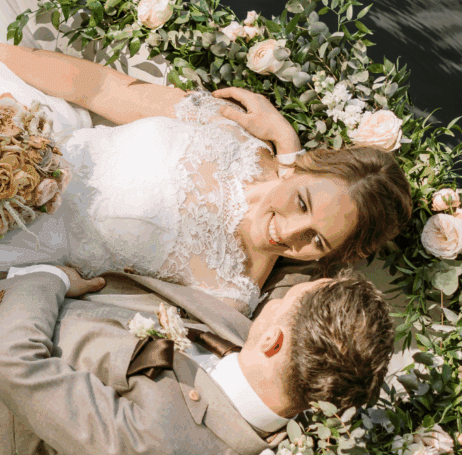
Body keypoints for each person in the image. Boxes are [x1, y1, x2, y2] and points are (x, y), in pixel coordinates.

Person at [0, 42, 412, 314]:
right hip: (28, 135)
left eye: (317, 241)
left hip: (17, 242)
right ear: (303, 164)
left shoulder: (230, 294)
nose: (288, 233)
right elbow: (102, 88)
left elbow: (111, 307)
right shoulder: (230, 130)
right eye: (302, 202)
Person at [0, 262, 395, 455]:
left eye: (284, 303)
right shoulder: (254, 349)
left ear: (274, 341)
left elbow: (15, 364)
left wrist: (47, 278)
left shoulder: (159, 447)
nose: (275, 300)